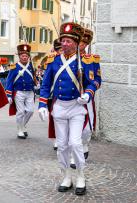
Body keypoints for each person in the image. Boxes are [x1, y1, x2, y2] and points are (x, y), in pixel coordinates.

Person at [38, 22, 97, 196]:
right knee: (62, 145)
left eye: (68, 41)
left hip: (77, 107)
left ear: (76, 43)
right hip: (60, 108)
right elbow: (46, 83)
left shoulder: (85, 61)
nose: (64, 44)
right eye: (62, 40)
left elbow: (93, 82)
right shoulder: (54, 60)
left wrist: (88, 94)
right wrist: (42, 104)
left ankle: (80, 176)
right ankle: (66, 176)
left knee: (75, 143)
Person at [68, 28, 102, 169]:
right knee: (71, 128)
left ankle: (85, 144)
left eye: (85, 43)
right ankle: (72, 156)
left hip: (86, 99)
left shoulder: (92, 59)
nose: (83, 45)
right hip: (70, 99)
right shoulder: (67, 58)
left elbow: (97, 80)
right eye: (81, 42)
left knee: (87, 129)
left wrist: (88, 93)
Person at [5, 44, 36, 139]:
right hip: (19, 92)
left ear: (28, 57)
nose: (24, 57)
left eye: (26, 56)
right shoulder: (14, 67)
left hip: (30, 91)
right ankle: (20, 130)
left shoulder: (31, 66)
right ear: (19, 56)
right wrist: (9, 95)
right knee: (21, 112)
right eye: (23, 56)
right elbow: (9, 81)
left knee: (30, 111)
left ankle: (22, 126)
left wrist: (36, 83)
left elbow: (33, 78)